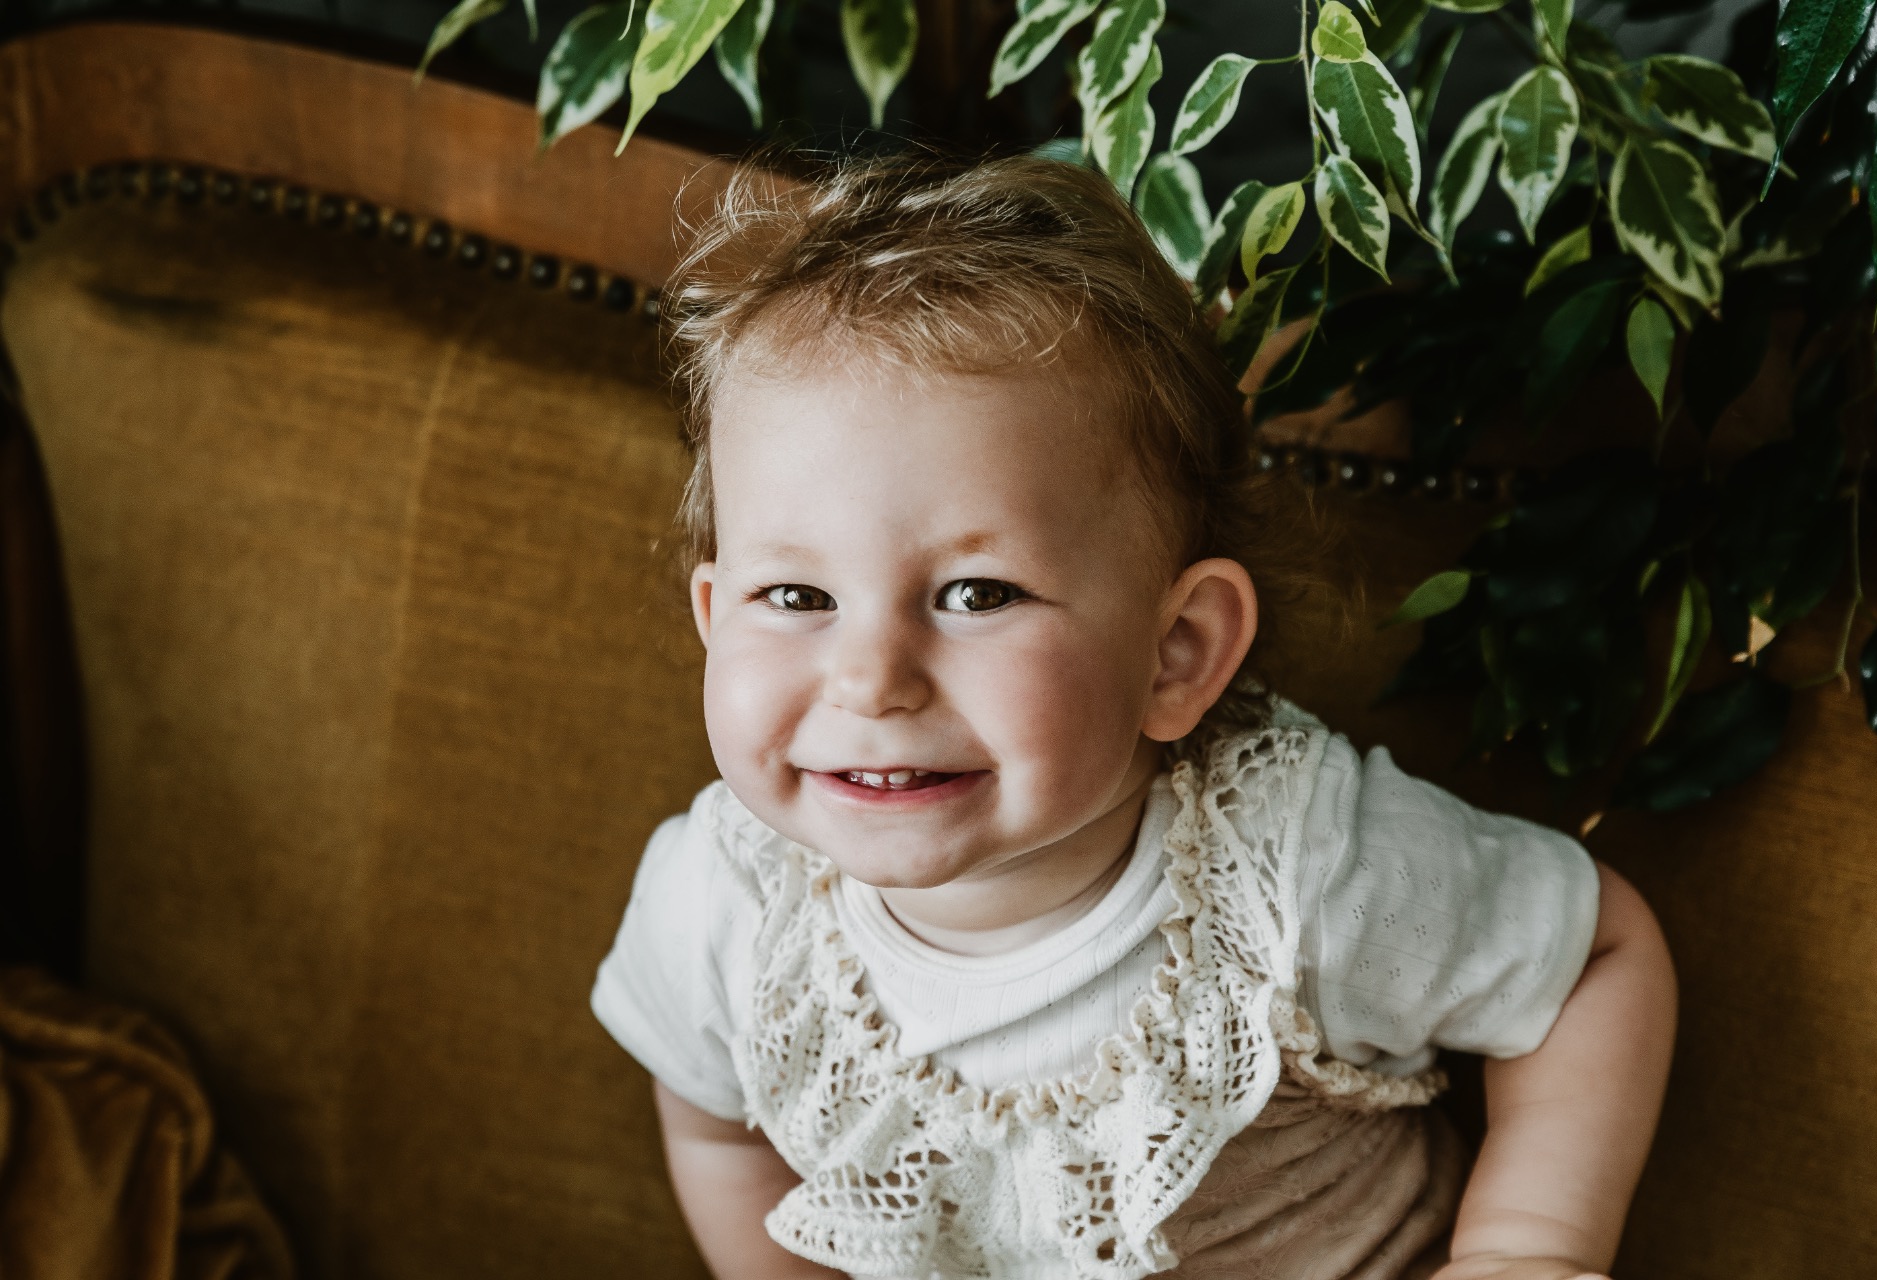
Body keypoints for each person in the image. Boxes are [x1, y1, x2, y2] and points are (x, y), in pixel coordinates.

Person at [590, 152, 1676, 1280]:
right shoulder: (721, 905)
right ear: (716, 616)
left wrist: (1525, 1249)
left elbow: (1598, 957)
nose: (871, 681)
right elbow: (716, 1122)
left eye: (976, 595)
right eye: (798, 596)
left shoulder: (1297, 870)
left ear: (1178, 651)